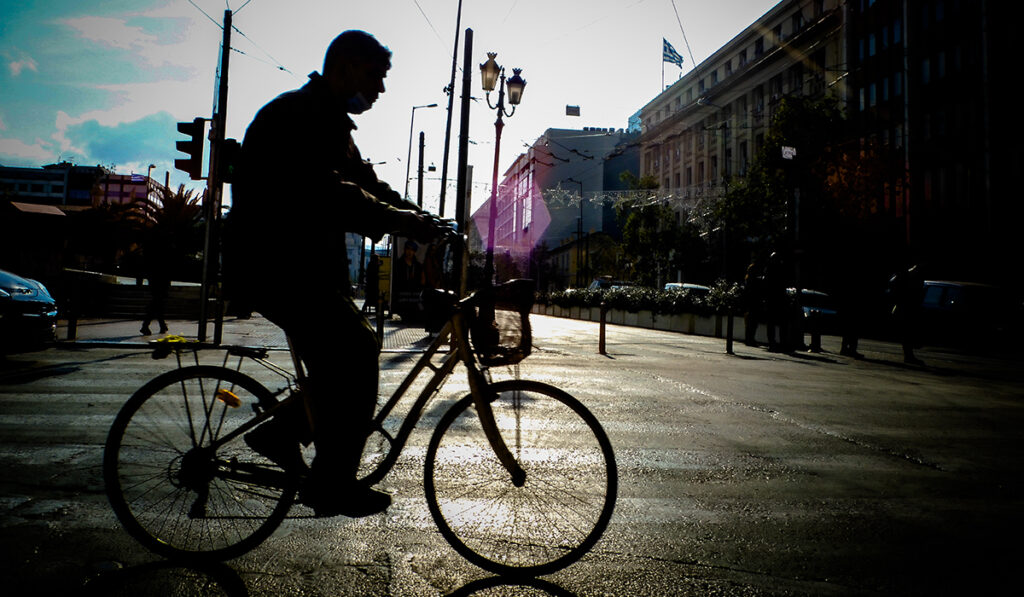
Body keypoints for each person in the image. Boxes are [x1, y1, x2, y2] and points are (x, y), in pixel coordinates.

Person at [224, 30, 438, 518]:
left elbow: (368, 186)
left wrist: (423, 219)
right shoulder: (300, 114)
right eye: (375, 77)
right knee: (357, 349)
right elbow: (332, 192)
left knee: (343, 357)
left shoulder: (331, 123)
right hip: (273, 264)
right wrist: (403, 221)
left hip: (299, 266)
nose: (380, 90)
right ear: (344, 67)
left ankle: (281, 432)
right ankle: (332, 482)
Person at [890, 264, 925, 365]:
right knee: (907, 333)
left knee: (908, 333)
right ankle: (909, 356)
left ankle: (909, 355)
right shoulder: (906, 278)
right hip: (905, 308)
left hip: (907, 307)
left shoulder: (909, 278)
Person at [392, 240, 424, 321]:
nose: (410, 252)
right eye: (408, 249)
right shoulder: (399, 264)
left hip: (415, 294)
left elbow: (421, 279)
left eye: (412, 250)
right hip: (403, 294)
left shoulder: (417, 265)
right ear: (404, 250)